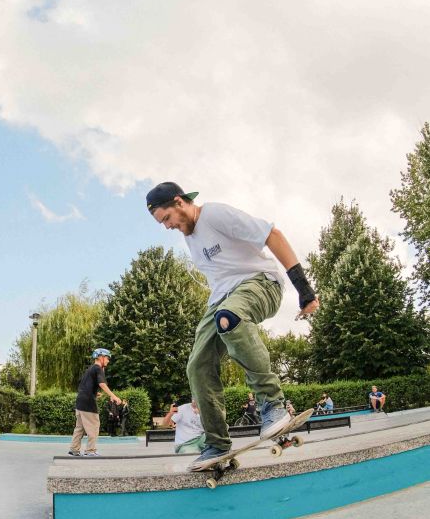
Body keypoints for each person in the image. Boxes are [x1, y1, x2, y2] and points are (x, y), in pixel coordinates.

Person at [146, 181, 319, 468]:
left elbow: (271, 234)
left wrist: (303, 288)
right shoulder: (190, 237)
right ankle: (216, 444)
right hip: (222, 299)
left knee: (230, 316)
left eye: (167, 218)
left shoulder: (214, 215)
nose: (167, 227)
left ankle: (273, 405)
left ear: (179, 202)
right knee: (197, 365)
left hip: (260, 283)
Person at [68, 349, 122, 457]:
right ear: (101, 357)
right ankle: (90, 451)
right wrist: (113, 396)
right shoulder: (98, 368)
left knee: (80, 427)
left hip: (80, 402)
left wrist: (94, 393)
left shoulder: (90, 369)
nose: (108, 361)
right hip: (88, 404)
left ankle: (74, 450)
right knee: (94, 426)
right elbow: (102, 384)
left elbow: (83, 386)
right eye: (107, 358)